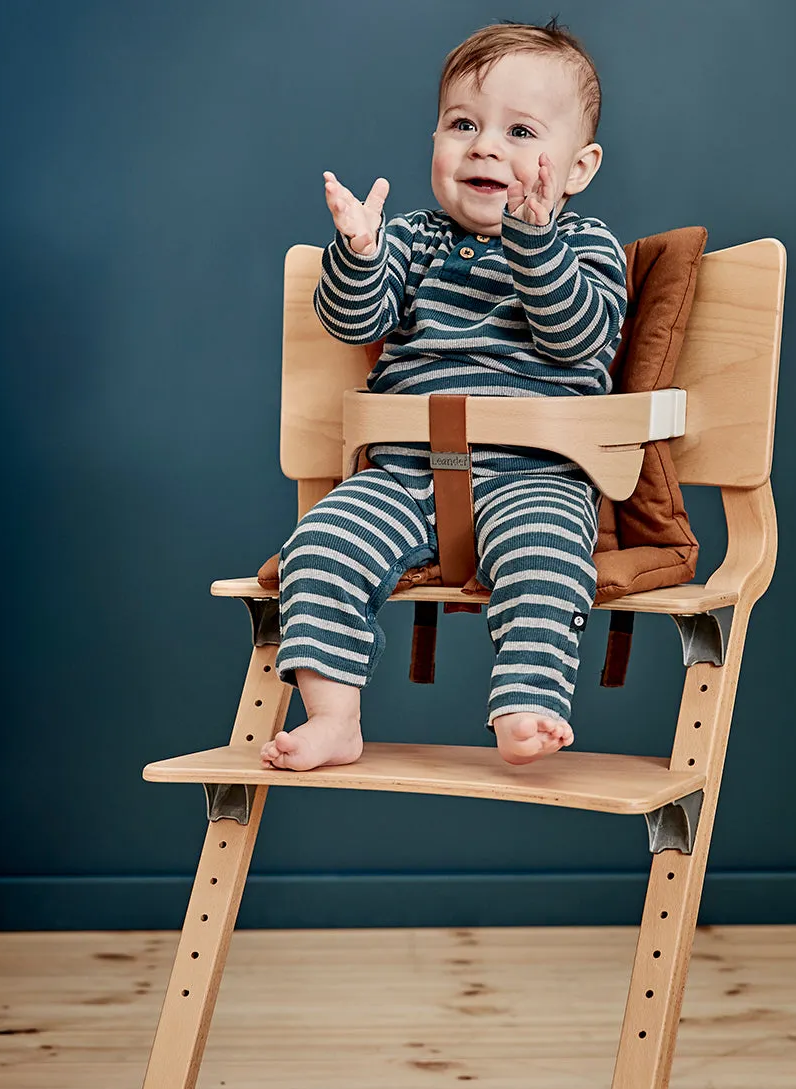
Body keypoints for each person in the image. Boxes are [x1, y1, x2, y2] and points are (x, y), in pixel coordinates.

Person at [260, 19, 627, 772]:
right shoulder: (414, 241)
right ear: (435, 142)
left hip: (536, 474)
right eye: (464, 124)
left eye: (521, 131)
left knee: (550, 558)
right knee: (320, 545)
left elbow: (579, 337)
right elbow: (353, 320)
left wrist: (535, 244)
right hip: (405, 472)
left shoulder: (587, 246)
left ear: (579, 166)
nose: (486, 146)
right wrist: (360, 255)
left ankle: (527, 703)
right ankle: (333, 717)